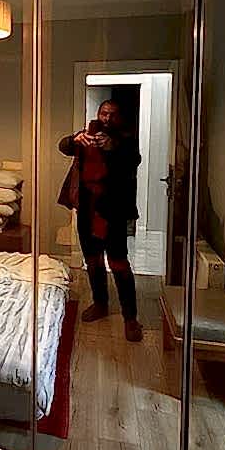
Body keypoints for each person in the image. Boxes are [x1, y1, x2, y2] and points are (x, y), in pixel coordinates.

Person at [58, 100, 143, 342]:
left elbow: (133, 160)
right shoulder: (87, 135)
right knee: (93, 261)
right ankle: (100, 304)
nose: (107, 118)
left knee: (119, 263)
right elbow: (63, 146)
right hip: (87, 209)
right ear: (98, 114)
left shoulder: (126, 140)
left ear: (119, 118)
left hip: (113, 212)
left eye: (112, 115)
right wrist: (74, 139)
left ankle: (130, 318)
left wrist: (112, 147)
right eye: (104, 113)